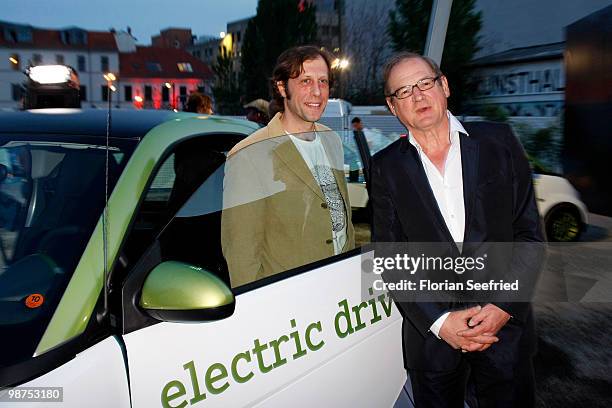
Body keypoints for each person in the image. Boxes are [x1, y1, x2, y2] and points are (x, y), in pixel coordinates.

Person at [370, 51, 544, 407]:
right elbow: (390, 256)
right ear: (393, 107)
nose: (417, 96)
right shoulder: (385, 167)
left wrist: (502, 307)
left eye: (424, 83)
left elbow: (528, 235)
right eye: (403, 92)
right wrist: (439, 322)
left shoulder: (499, 142)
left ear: (444, 85)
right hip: (433, 341)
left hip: (504, 332)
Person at [221, 45, 355, 287]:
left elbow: (342, 221)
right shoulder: (248, 155)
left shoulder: (332, 140)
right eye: (305, 81)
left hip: (339, 289)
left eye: (323, 82)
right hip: (290, 302)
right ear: (282, 87)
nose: (317, 92)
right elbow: (242, 255)